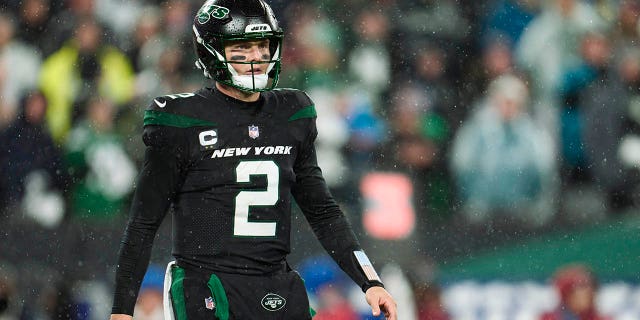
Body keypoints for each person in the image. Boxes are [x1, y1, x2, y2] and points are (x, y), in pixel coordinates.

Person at [110, 1, 397, 320]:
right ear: (211, 51)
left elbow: (322, 210)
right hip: (207, 285)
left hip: (275, 284)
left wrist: (369, 281)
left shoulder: (291, 113)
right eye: (243, 47)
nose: (257, 57)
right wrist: (123, 309)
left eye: (262, 45)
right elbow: (143, 222)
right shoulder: (181, 121)